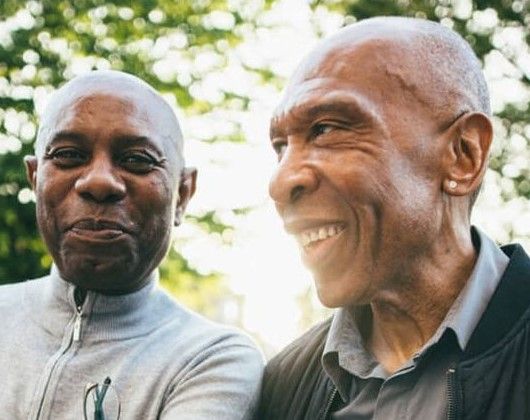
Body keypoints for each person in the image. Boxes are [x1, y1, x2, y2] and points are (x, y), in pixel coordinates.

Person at [258, 16, 530, 420]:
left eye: (326, 129)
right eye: (281, 146)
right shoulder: (283, 384)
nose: (280, 183)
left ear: (463, 155)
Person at [0, 70, 263, 419]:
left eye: (137, 160)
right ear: (35, 180)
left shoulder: (211, 359)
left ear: (182, 195)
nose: (98, 182)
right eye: (67, 155)